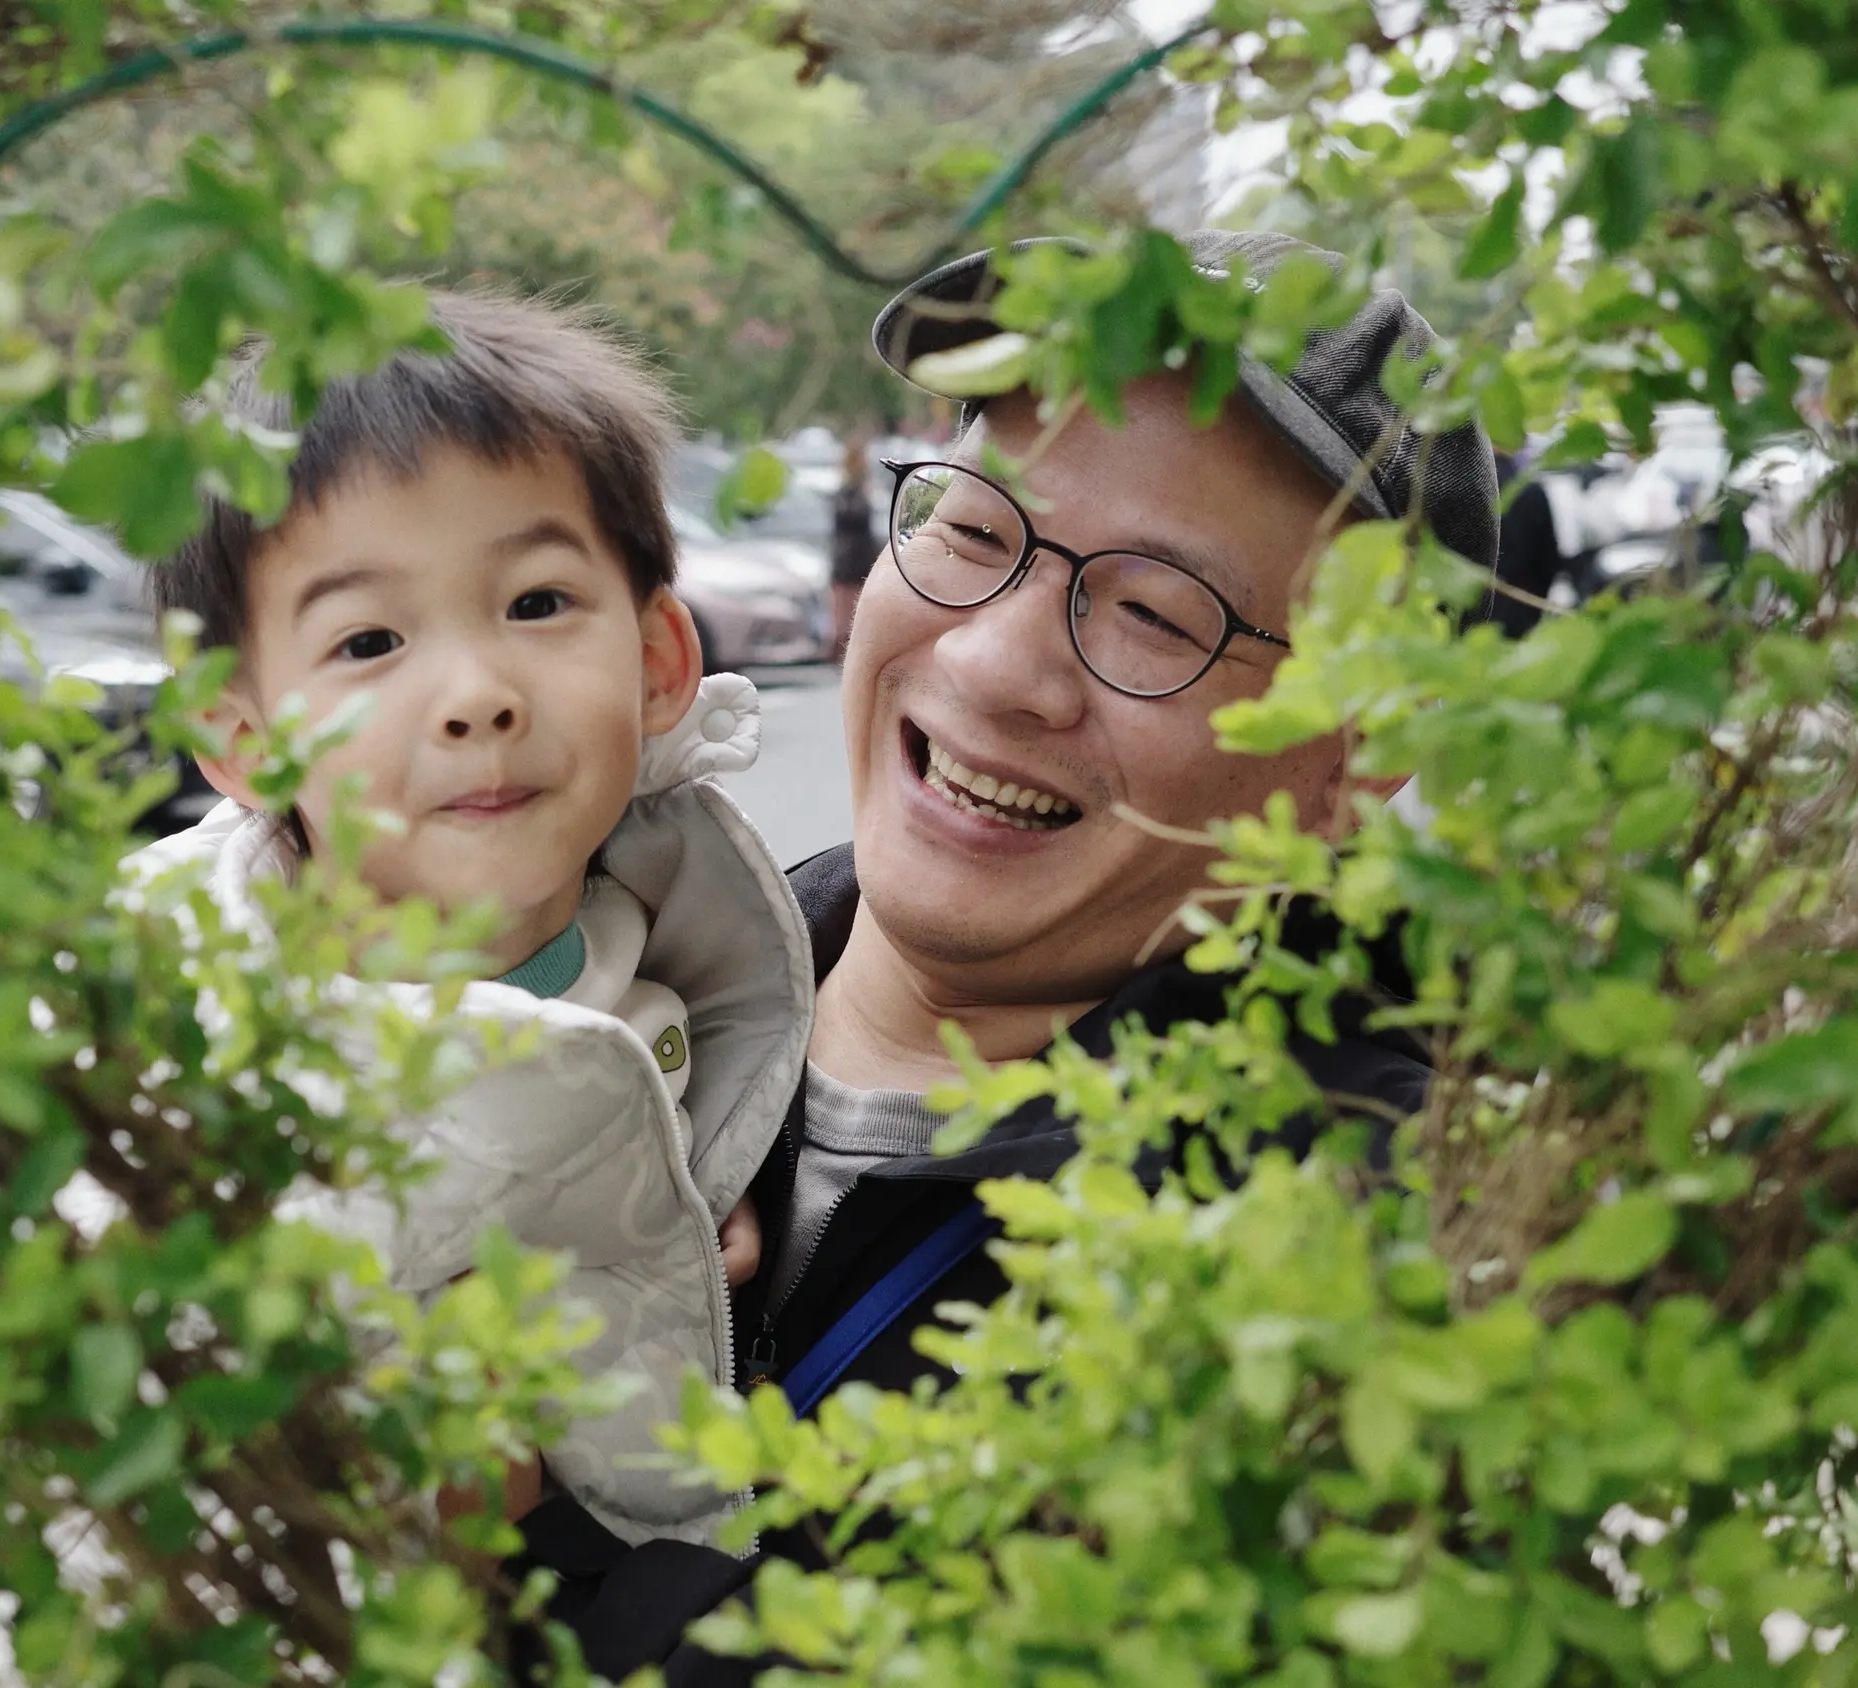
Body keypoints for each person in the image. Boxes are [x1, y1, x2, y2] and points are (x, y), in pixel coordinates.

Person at [506, 230, 1501, 1681]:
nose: (989, 664)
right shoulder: (575, 994)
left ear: (1361, 752)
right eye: (974, 533)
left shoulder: (1355, 1281)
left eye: (1156, 614)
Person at [137, 291, 813, 1548]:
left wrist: (677, 1232)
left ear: (659, 660)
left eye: (537, 603)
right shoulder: (176, 1023)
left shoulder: (685, 947)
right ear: (243, 734)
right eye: (370, 639)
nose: (477, 696)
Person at [825, 433, 879, 661]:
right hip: (849, 562)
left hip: (855, 561)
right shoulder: (849, 492)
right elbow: (852, 520)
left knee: (851, 614)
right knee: (844, 615)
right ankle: (839, 653)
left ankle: (844, 652)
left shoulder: (855, 490)